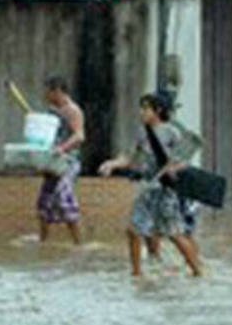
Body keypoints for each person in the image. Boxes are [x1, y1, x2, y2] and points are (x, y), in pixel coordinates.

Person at [99, 93, 202, 278]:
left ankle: (198, 271)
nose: (141, 112)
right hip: (148, 189)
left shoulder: (172, 132)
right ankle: (136, 274)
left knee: (174, 234)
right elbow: (131, 158)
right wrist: (112, 164)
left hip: (166, 191)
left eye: (145, 108)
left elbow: (184, 160)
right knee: (133, 230)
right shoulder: (142, 133)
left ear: (158, 110)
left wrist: (174, 168)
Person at [37, 76, 85, 244]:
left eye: (48, 91)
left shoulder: (72, 110)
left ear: (57, 91)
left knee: (65, 199)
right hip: (52, 161)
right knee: (44, 203)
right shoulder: (51, 110)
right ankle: (43, 241)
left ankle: (79, 244)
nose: (45, 95)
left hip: (67, 161)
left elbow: (79, 136)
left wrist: (62, 148)